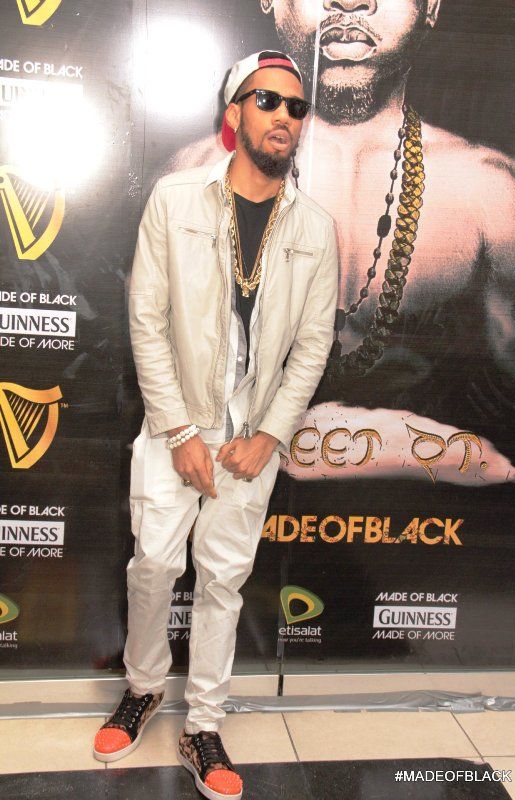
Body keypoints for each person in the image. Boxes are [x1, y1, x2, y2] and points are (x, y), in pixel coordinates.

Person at [92, 50, 338, 800]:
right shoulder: (174, 200)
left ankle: (203, 724)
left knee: (223, 583)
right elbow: (146, 320)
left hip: (251, 441)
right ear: (235, 114)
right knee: (153, 567)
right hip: (177, 426)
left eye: (297, 107)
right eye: (268, 101)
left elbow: (313, 345)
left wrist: (269, 434)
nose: (285, 117)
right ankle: (142, 687)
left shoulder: (316, 226)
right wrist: (177, 433)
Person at [171, 0, 515, 483]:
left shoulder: (494, 192)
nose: (348, 1)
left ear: (431, 7)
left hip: (422, 515)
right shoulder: (192, 182)